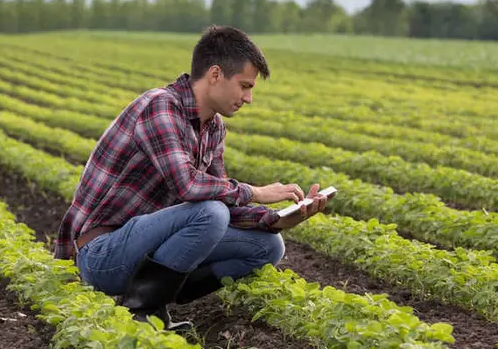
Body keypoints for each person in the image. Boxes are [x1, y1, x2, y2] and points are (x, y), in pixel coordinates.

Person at [53, 25, 330, 332]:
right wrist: (255, 192)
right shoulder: (160, 106)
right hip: (103, 255)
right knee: (209, 213)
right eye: (244, 86)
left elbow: (222, 197)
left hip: (147, 248)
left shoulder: (213, 127)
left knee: (268, 247)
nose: (248, 98)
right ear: (215, 75)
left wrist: (277, 219)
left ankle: (162, 292)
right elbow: (188, 186)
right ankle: (143, 311)